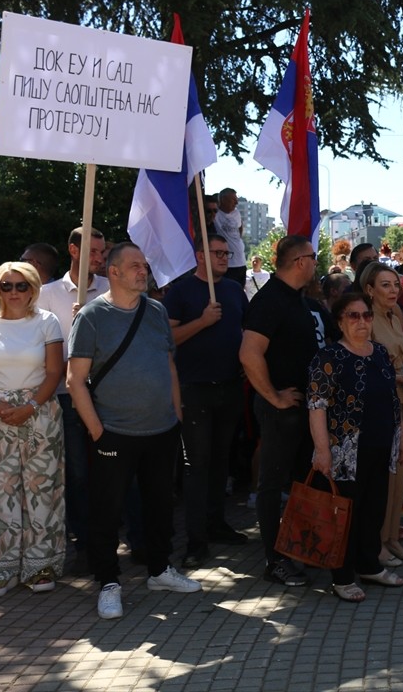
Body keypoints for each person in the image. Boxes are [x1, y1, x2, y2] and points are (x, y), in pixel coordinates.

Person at [67, 243, 202, 619]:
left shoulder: (157, 310)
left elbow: (169, 366)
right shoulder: (92, 316)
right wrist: (98, 431)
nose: (144, 271)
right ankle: (108, 582)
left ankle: (160, 569)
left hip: (161, 430)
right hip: (113, 433)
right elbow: (75, 380)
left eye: (144, 265)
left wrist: (176, 415)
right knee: (106, 512)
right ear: (114, 272)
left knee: (160, 506)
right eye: (135, 266)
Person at [307, 292, 403, 601]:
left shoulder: (379, 352)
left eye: (366, 315)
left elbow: (392, 399)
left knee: (373, 510)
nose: (362, 321)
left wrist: (400, 439)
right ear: (339, 321)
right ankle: (342, 576)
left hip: (380, 447)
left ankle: (368, 565)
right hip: (344, 454)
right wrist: (322, 450)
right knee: (345, 515)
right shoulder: (328, 358)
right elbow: (317, 406)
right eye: (353, 316)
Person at [0, 262, 64, 596]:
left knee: (41, 491)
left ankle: (40, 566)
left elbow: (55, 372)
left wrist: (30, 407)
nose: (14, 292)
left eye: (21, 286)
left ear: (33, 288)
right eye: (6, 286)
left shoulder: (47, 321)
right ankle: (1, 569)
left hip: (39, 413)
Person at [162, 235, 249, 569]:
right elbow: (167, 338)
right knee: (197, 466)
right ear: (200, 256)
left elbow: (245, 331)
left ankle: (216, 524)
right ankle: (195, 540)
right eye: (217, 252)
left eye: (227, 252)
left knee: (220, 462)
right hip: (193, 389)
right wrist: (201, 321)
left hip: (228, 387)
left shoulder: (233, 290)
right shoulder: (182, 291)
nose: (224, 257)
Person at [239, 234, 321, 587]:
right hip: (280, 410)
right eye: (314, 257)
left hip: (302, 408)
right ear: (301, 261)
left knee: (304, 481)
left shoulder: (297, 299)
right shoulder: (270, 299)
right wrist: (273, 397)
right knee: (272, 484)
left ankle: (298, 549)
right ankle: (275, 560)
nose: (317, 264)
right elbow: (249, 352)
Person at [35, 226, 109, 559]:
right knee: (77, 471)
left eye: (102, 252)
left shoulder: (110, 288)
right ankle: (83, 542)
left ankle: (125, 536)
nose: (99, 259)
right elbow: (40, 349)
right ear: (73, 250)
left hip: (108, 392)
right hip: (67, 396)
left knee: (113, 468)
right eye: (93, 251)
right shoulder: (48, 294)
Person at [361, 262, 403, 566]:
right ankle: (377, 543)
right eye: (385, 285)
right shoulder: (365, 320)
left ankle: (392, 537)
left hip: (402, 401)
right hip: (379, 404)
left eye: (396, 284)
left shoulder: (395, 316)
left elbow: (401, 356)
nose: (394, 290)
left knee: (401, 471)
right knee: (382, 475)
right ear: (369, 289)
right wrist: (395, 376)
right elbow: (364, 364)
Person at [213, 188, 247, 286]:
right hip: (227, 264)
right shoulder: (216, 214)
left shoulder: (236, 213)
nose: (236, 203)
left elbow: (240, 227)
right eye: (233, 200)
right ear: (223, 200)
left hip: (241, 262)